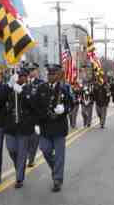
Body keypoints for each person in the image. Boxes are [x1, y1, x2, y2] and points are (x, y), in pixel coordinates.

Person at [35, 64, 73, 192]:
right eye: (49, 74)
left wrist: (64, 109)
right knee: (45, 150)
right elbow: (36, 107)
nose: (50, 76)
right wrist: (36, 124)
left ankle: (57, 179)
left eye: (53, 74)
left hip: (59, 127)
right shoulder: (41, 88)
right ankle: (55, 168)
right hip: (45, 127)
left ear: (57, 75)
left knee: (59, 156)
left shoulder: (64, 88)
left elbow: (71, 104)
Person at [25, 62, 44, 168]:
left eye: (33, 70)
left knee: (34, 140)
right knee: (25, 140)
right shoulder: (23, 83)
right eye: (29, 70)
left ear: (37, 71)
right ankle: (28, 156)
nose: (31, 72)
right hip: (25, 117)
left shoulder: (41, 84)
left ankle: (31, 158)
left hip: (36, 117)